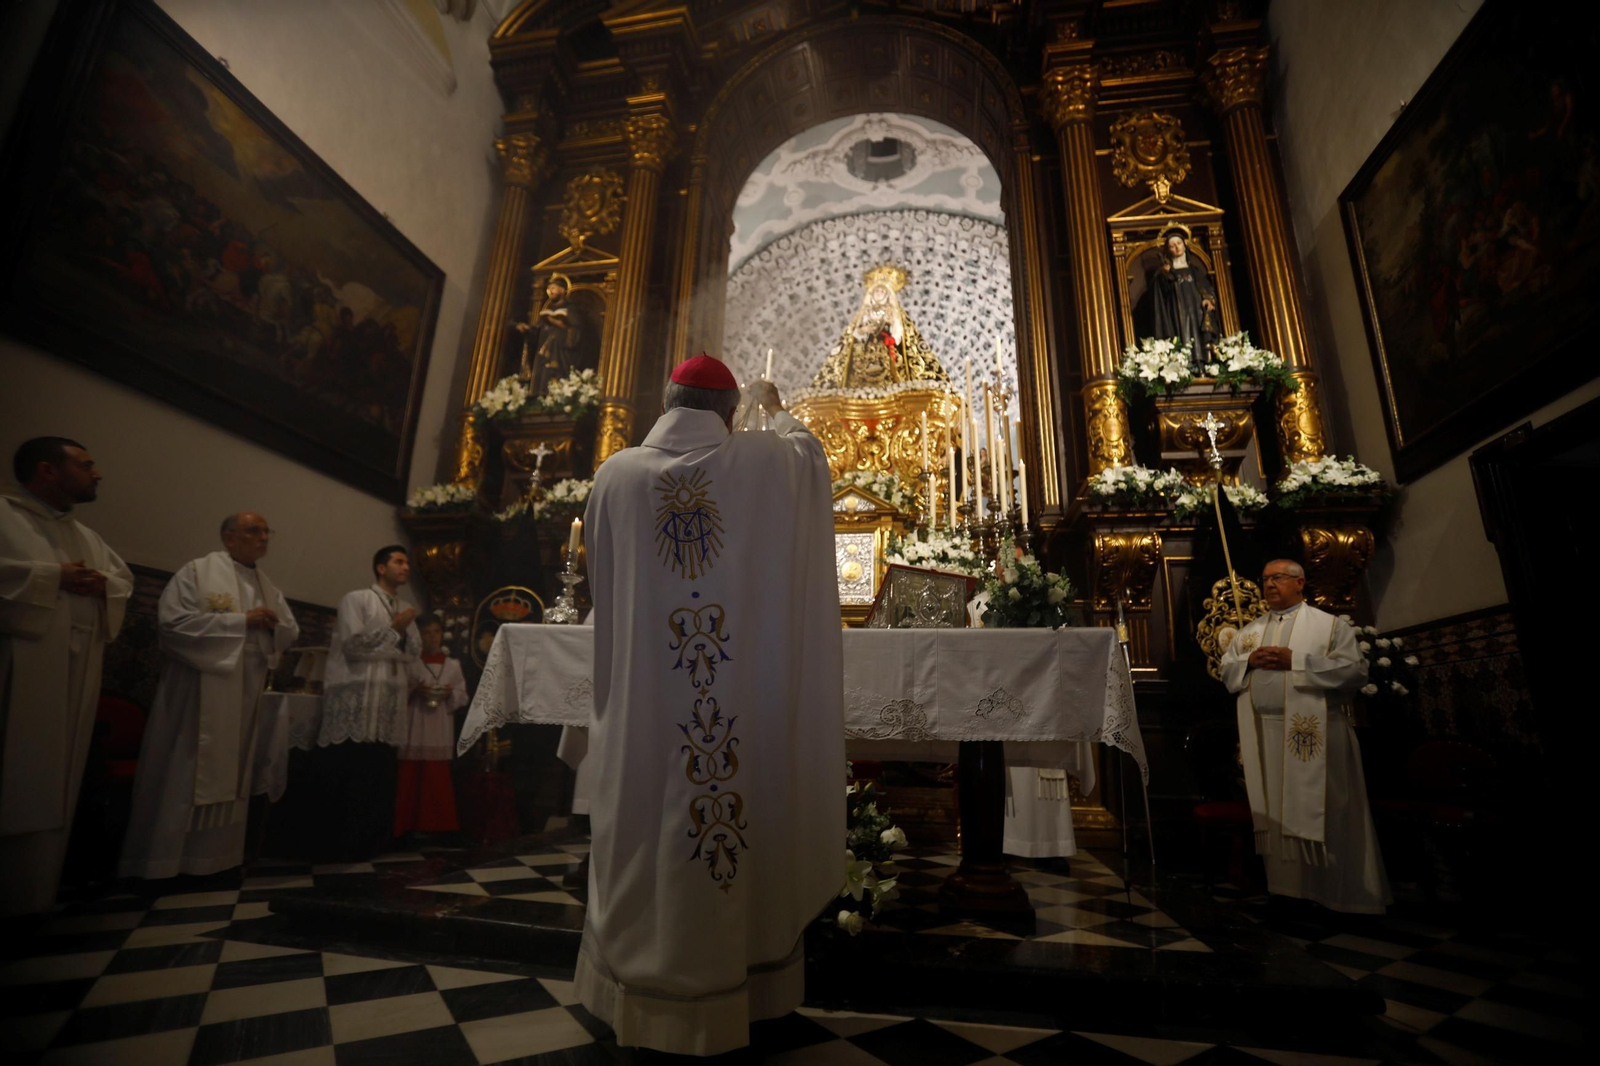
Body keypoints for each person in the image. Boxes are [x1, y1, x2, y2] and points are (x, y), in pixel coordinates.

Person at [575, 355, 844, 1055]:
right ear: (728, 412)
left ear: (666, 401)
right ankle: (741, 987)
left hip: (645, 697)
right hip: (733, 698)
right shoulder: (760, 461)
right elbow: (810, 457)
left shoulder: (616, 472)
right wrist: (776, 405)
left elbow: (600, 585)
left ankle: (636, 995)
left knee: (642, 817)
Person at [118, 513, 298, 879]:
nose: (263, 537)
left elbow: (289, 631)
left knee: (232, 771)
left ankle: (217, 859)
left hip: (245, 689)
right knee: (186, 768)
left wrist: (272, 625)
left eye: (266, 532)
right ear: (228, 538)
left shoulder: (267, 585)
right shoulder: (197, 573)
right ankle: (162, 863)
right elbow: (172, 625)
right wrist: (240, 622)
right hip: (198, 691)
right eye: (253, 531)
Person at [0, 436, 133, 914]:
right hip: (19, 666)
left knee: (57, 777)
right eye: (86, 464)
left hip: (76, 669)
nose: (96, 474)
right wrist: (51, 576)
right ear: (48, 470)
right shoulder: (4, 516)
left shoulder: (87, 537)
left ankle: (34, 897)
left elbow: (121, 580)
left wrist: (105, 585)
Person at [1219, 559, 1391, 914]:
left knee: (1327, 809)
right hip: (1265, 736)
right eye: (1265, 579)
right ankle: (1286, 893)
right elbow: (1227, 670)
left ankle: (1336, 896)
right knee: (1276, 812)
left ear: (1300, 583)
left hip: (1317, 736)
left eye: (1277, 578)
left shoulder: (1328, 627)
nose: (1269, 585)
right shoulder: (1249, 631)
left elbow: (1355, 671)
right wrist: (1248, 661)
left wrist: (1295, 660)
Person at [315, 545, 419, 860]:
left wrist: (396, 636)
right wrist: (394, 631)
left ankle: (374, 841)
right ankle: (343, 844)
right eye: (399, 561)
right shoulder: (356, 599)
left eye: (407, 562)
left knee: (380, 775)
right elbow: (354, 646)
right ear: (380, 567)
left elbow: (413, 651)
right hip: (357, 700)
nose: (406, 567)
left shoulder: (405, 607)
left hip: (387, 702)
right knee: (351, 771)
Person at [811, 263, 951, 389]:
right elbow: (855, 334)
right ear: (871, 293)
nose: (879, 294)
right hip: (866, 350)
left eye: (882, 291)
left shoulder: (893, 312)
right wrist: (864, 330)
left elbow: (898, 334)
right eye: (876, 291)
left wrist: (892, 328)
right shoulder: (865, 312)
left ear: (887, 294)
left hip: (887, 349)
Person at [393, 613, 465, 840]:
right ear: (419, 636)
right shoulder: (411, 663)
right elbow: (397, 693)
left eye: (436, 631)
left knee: (437, 777)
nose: (432, 637)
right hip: (415, 722)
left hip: (440, 724)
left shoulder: (453, 665)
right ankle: (407, 827)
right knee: (411, 776)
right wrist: (415, 689)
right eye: (426, 632)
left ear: (442, 634)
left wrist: (449, 693)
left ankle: (438, 827)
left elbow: (462, 695)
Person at [1150, 228, 1219, 372]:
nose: (1176, 247)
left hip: (1197, 311)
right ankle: (1185, 365)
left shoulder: (1195, 270)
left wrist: (1208, 299)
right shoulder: (1165, 272)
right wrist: (1165, 274)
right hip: (1177, 312)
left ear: (1184, 245)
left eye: (1179, 243)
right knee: (1182, 334)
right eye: (1172, 245)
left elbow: (1206, 288)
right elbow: (1161, 295)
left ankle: (1203, 363)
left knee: (1199, 336)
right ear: (1168, 250)